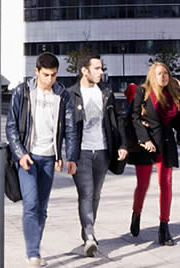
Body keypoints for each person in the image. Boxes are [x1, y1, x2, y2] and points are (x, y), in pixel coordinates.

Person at [6, 53, 77, 266]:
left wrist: (69, 157)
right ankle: (33, 252)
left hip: (49, 158)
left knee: (42, 208)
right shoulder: (22, 92)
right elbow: (11, 126)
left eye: (54, 75)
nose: (50, 79)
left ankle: (34, 246)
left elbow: (70, 129)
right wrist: (20, 154)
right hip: (28, 156)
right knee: (31, 204)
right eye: (46, 75)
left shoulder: (62, 95)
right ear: (36, 71)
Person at [69, 54, 127, 257]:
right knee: (86, 193)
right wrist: (64, 155)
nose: (101, 72)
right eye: (96, 68)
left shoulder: (106, 92)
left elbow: (117, 119)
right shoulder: (71, 94)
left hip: (102, 150)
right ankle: (89, 235)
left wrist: (122, 144)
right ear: (84, 70)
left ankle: (87, 230)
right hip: (82, 152)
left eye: (101, 68)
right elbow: (64, 126)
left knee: (95, 194)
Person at [127, 62, 180, 247]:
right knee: (143, 184)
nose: (164, 76)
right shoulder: (143, 92)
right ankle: (136, 213)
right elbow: (134, 117)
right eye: (160, 73)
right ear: (152, 75)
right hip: (146, 145)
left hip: (166, 143)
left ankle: (164, 227)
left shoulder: (172, 95)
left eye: (166, 73)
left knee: (166, 184)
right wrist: (144, 139)